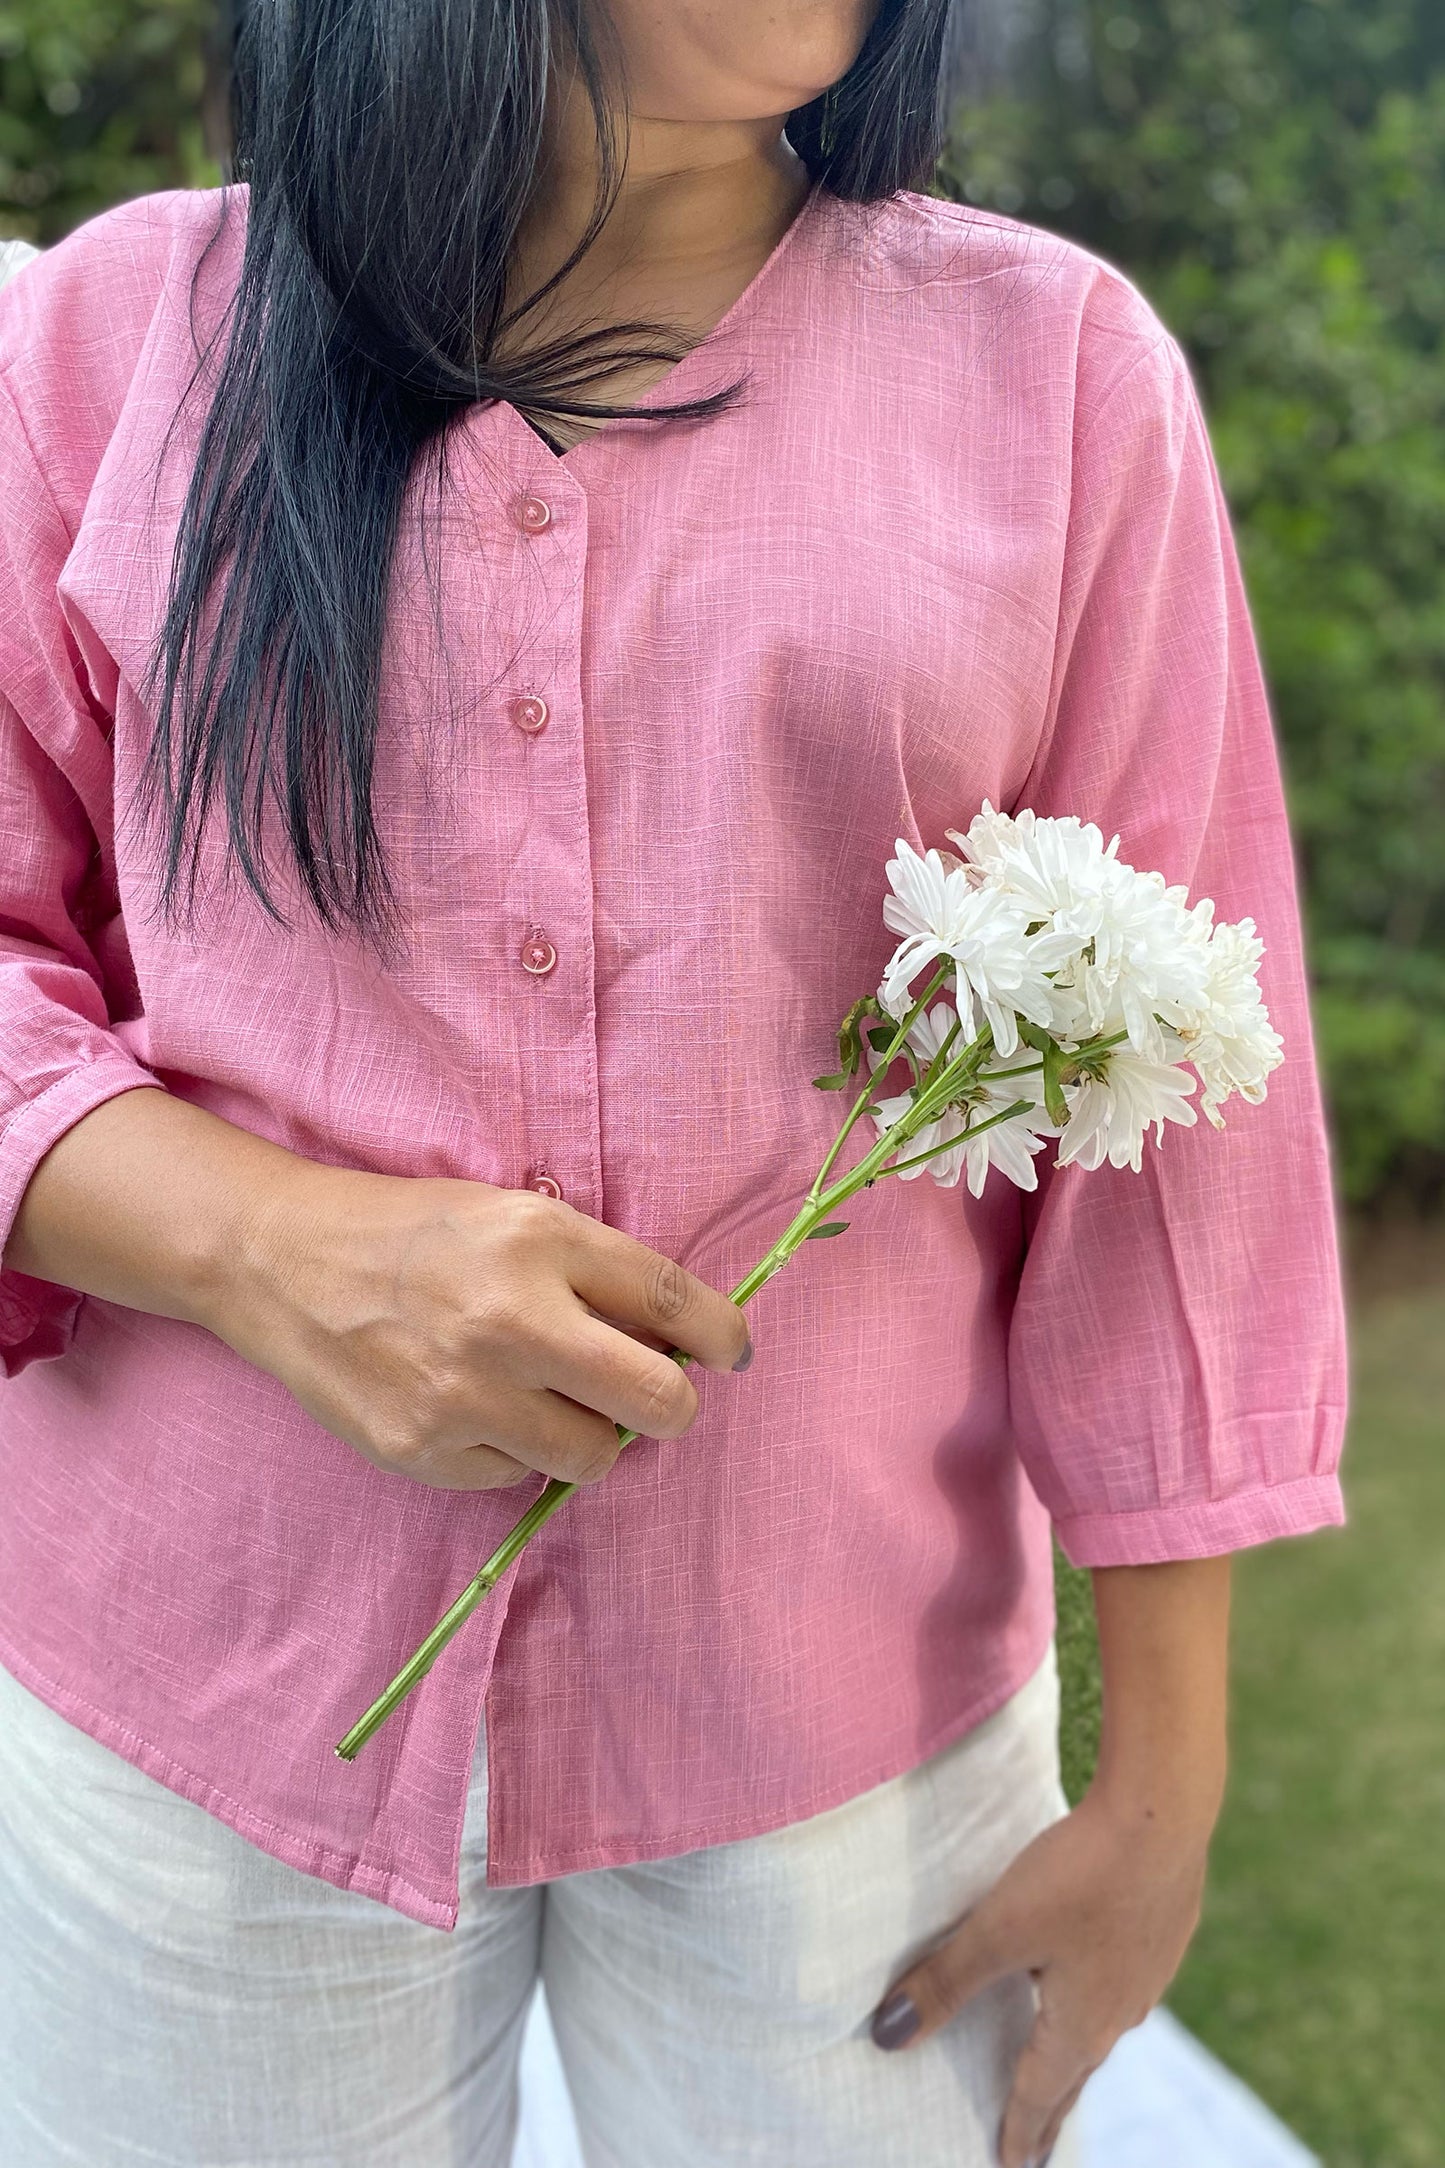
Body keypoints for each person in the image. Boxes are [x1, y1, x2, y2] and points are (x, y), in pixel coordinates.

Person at [0, 3, 1348, 2164]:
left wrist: (1162, 1792)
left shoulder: (1061, 381)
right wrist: (265, 1250)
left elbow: (1182, 1116)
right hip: (202, 1718)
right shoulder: (102, 348)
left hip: (854, 1738)